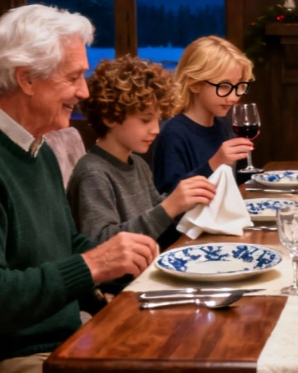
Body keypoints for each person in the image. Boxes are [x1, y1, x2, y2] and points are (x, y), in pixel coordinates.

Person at [0, 4, 159, 373]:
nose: (84, 91)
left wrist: (134, 265)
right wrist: (93, 266)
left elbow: (64, 245)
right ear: (26, 79)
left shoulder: (36, 147)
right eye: (74, 77)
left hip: (59, 338)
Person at [69, 55, 216, 286]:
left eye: (158, 119)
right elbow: (101, 247)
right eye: (146, 120)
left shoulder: (137, 163)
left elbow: (158, 226)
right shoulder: (93, 173)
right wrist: (170, 206)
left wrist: (188, 204)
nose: (156, 129)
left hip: (148, 276)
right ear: (109, 117)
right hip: (122, 291)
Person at [151, 36, 255, 194]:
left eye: (239, 86)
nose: (234, 97)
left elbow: (227, 183)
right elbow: (169, 198)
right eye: (224, 86)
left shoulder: (224, 125)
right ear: (195, 84)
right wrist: (215, 163)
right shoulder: (173, 133)